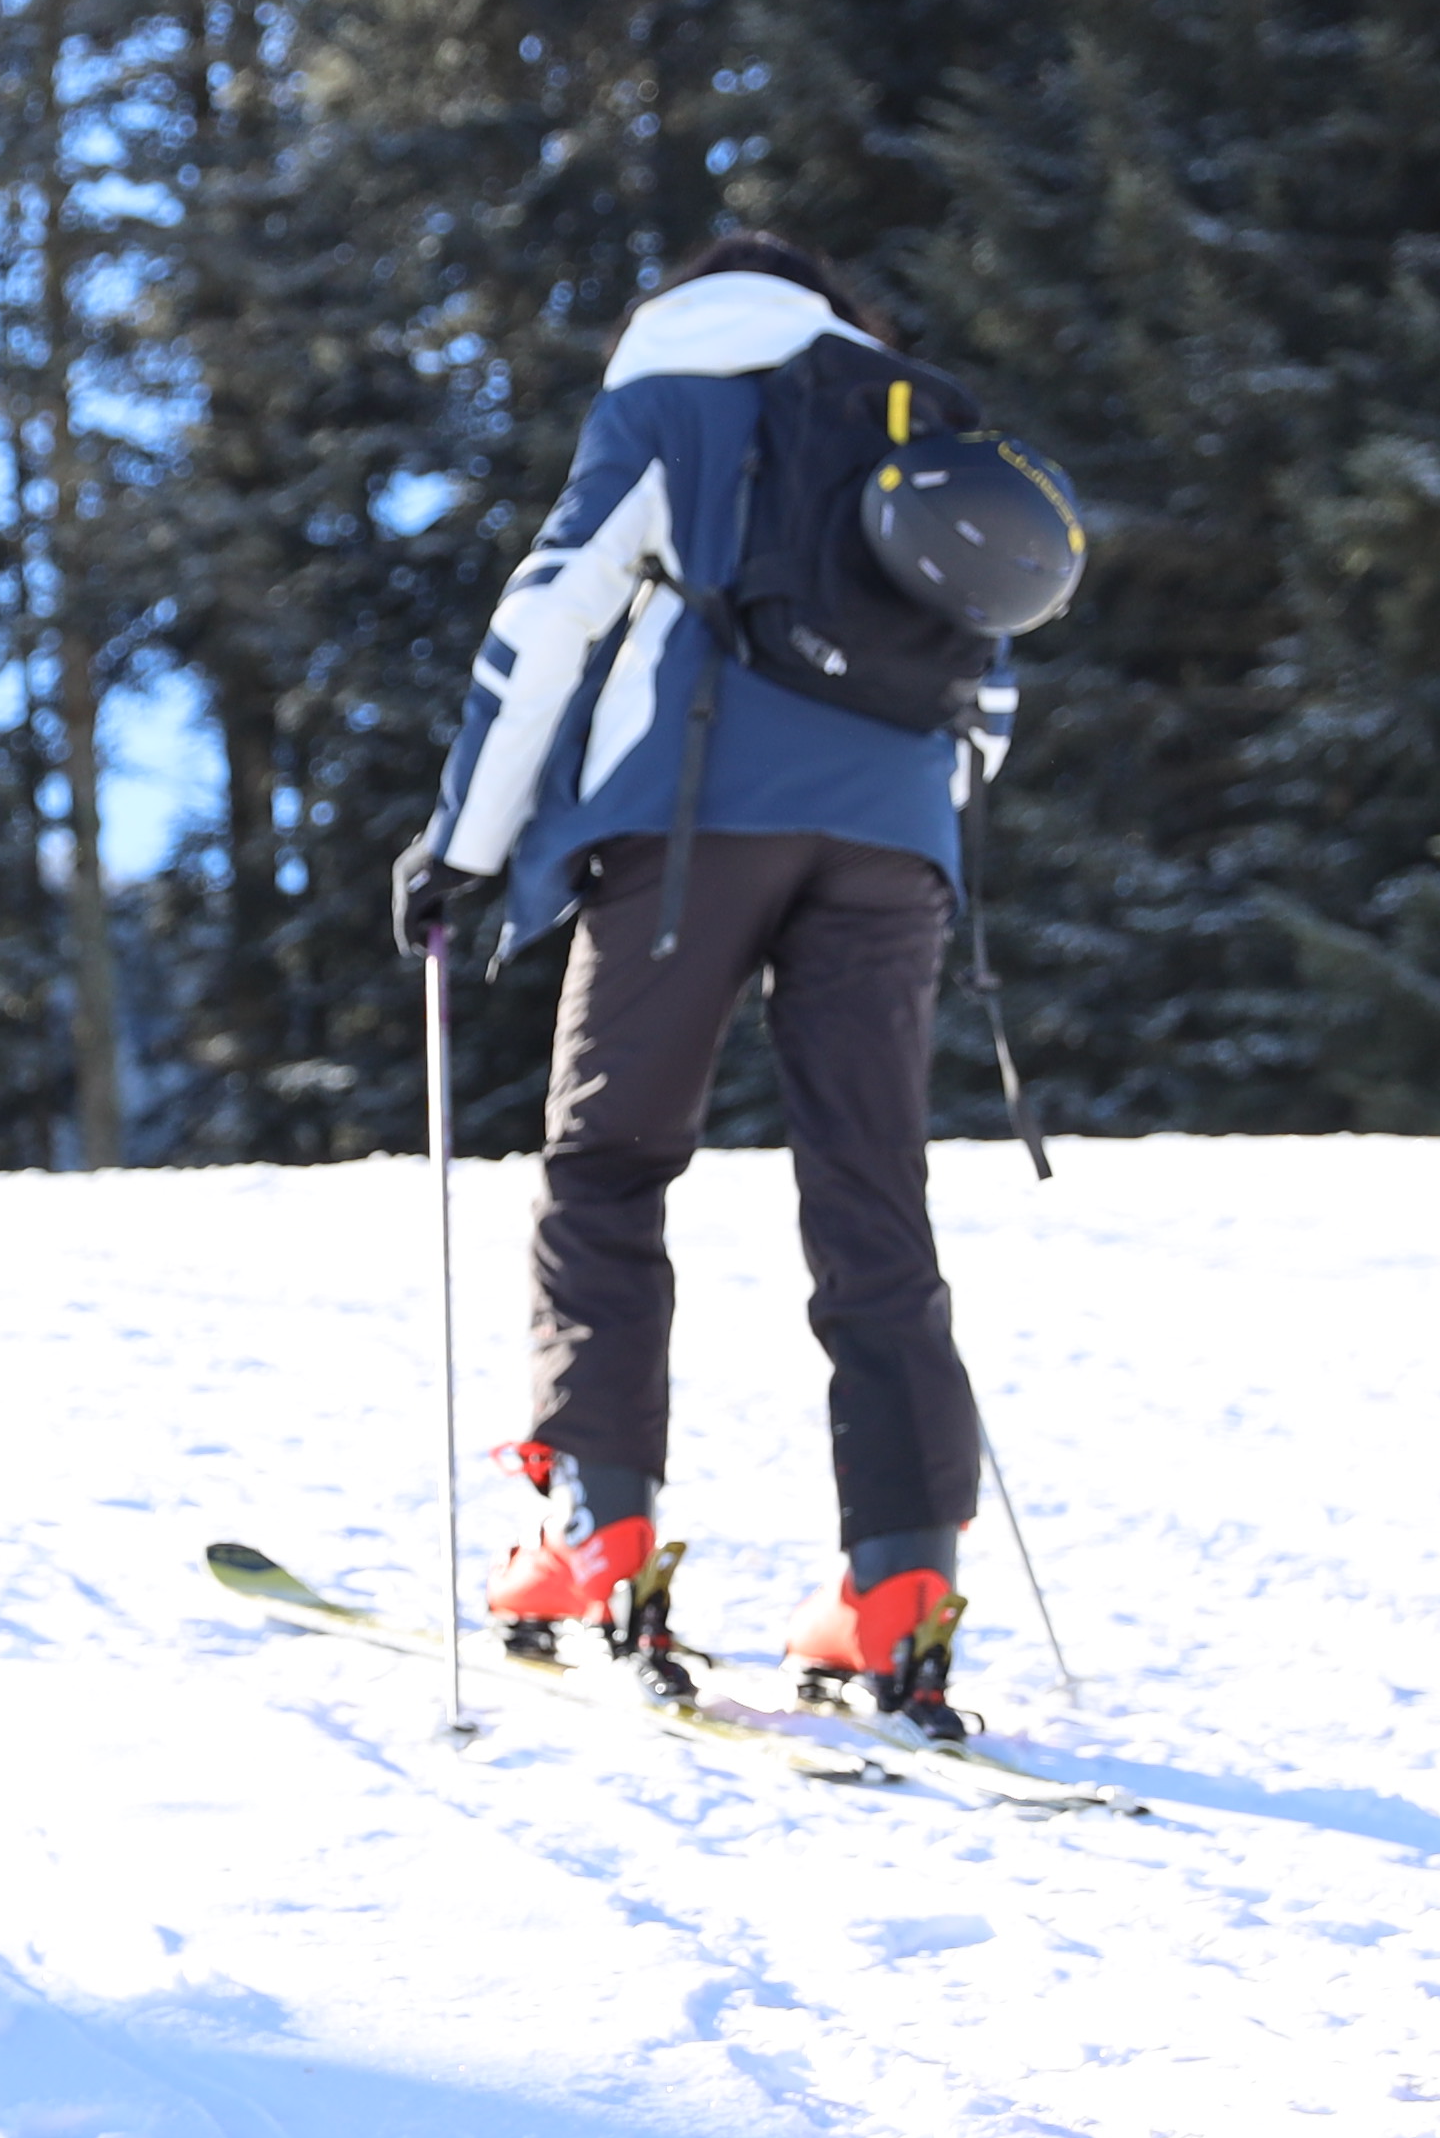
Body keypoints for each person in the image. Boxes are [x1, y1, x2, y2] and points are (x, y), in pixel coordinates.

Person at [387, 225, 1051, 1731]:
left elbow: (552, 613)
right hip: (897, 837)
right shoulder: (915, 418)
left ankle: (596, 1542)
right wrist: (911, 817)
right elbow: (991, 664)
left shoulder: (674, 396)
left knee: (609, 1166)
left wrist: (464, 845)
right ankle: (900, 1587)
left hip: (687, 824)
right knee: (874, 1195)